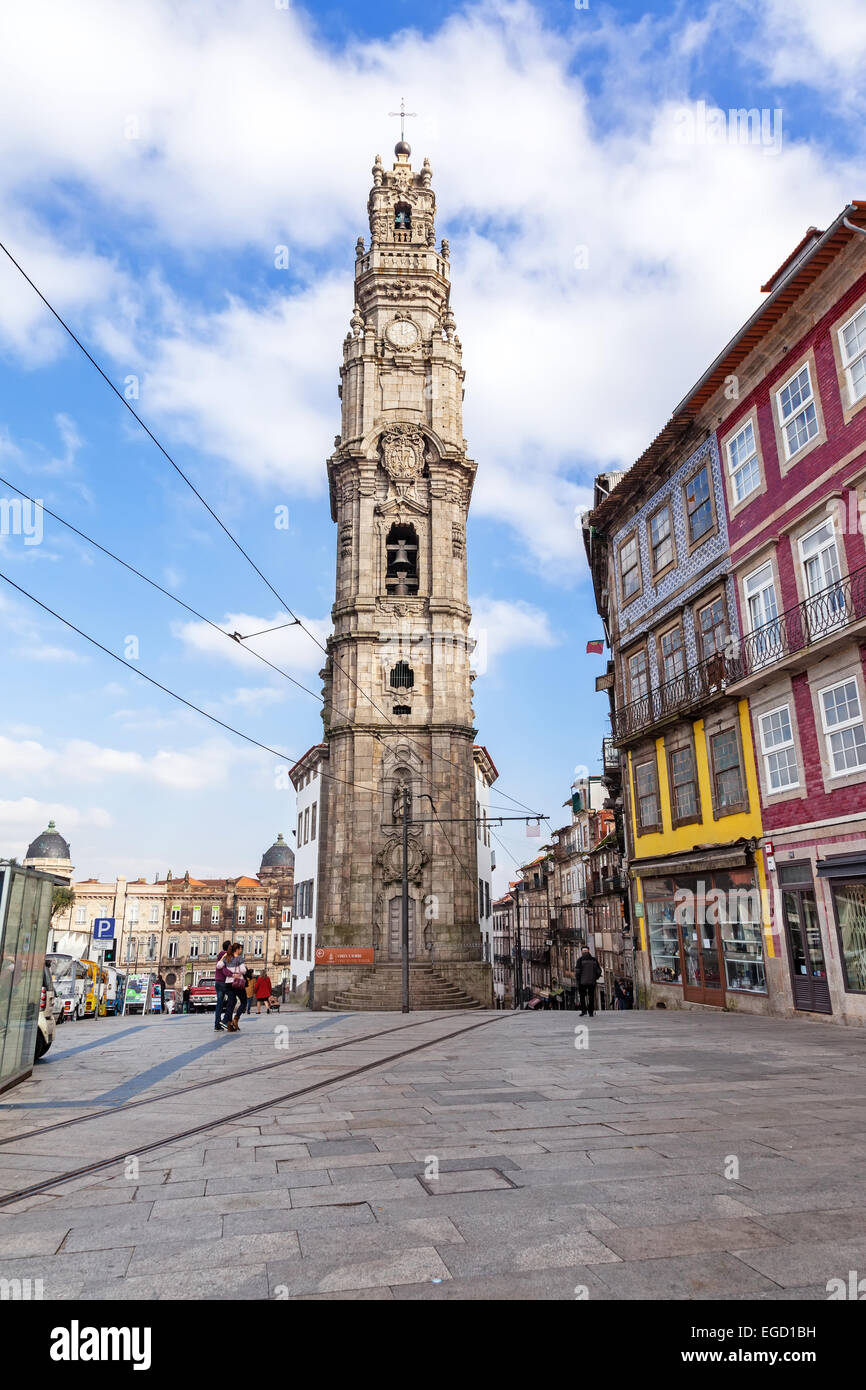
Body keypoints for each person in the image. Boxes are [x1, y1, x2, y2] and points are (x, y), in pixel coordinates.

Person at [222, 945, 246, 1032]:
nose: (241, 950)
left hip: (228, 983)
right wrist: (239, 972)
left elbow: (220, 967)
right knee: (244, 1001)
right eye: (240, 949)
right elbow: (243, 970)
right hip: (237, 982)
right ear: (237, 950)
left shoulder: (227, 958)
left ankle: (229, 1024)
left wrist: (231, 974)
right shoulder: (239, 958)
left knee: (231, 1003)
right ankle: (236, 1018)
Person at [213, 939, 233, 1032]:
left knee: (219, 1004)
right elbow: (225, 968)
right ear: (228, 947)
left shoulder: (220, 955)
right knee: (232, 1000)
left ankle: (217, 1025)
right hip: (224, 982)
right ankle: (226, 1021)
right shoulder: (226, 956)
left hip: (217, 981)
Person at [576, 948, 602, 1017]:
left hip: (582, 982)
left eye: (584, 951)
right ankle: (590, 1011)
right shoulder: (594, 960)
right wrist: (595, 978)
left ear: (582, 952)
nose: (584, 952)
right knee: (591, 996)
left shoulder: (580, 960)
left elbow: (577, 971)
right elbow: (599, 971)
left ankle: (584, 1011)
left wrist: (578, 979)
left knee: (582, 996)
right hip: (592, 981)